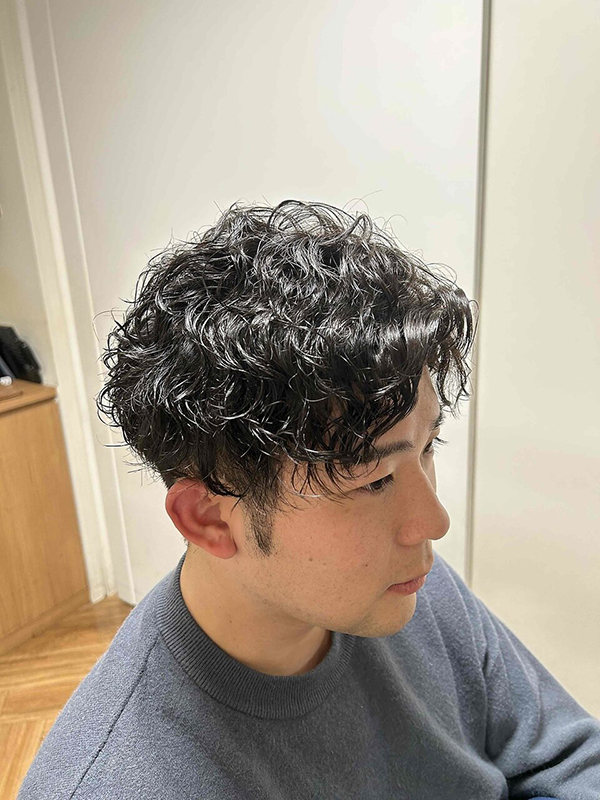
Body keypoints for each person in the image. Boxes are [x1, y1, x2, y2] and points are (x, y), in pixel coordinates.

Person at [19, 200, 599, 799]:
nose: (433, 521)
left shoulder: (406, 585)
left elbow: (571, 757)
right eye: (373, 480)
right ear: (210, 519)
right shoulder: (117, 781)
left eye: (428, 446)